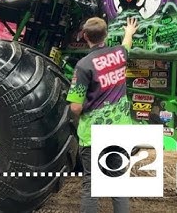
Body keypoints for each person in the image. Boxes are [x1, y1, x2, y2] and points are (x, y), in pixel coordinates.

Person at [67, 16, 139, 213]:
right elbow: (126, 44)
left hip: (93, 136)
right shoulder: (119, 54)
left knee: (91, 186)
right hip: (119, 133)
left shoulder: (84, 65)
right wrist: (128, 32)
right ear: (106, 34)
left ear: (84, 36)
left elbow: (75, 107)